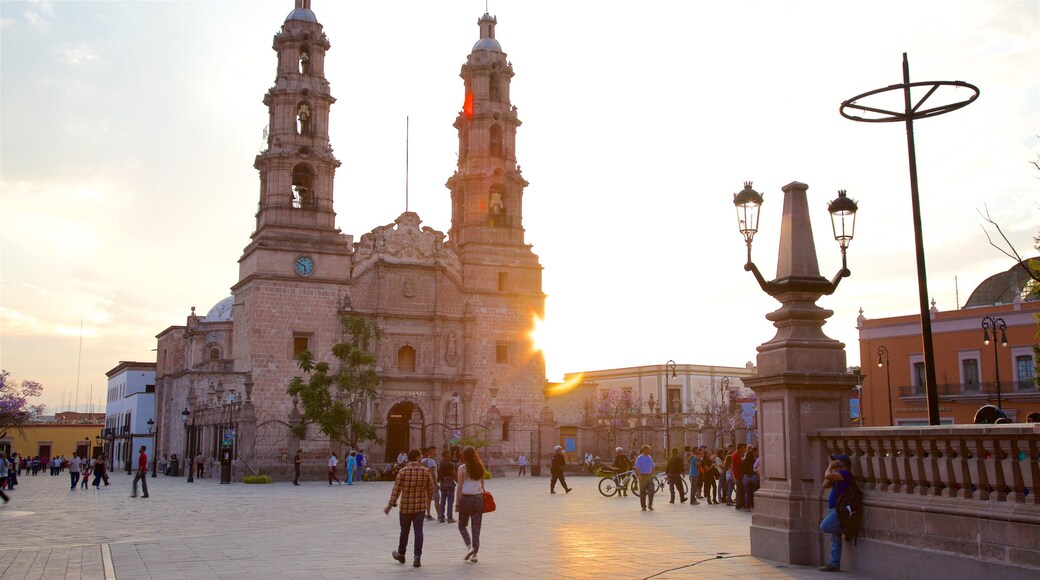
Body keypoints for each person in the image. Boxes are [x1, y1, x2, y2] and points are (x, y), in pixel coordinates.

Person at [384, 448, 435, 568]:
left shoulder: (403, 471)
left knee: (404, 532)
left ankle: (401, 554)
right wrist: (426, 498)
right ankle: (417, 557)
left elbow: (396, 490)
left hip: (406, 507)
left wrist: (390, 505)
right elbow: (431, 489)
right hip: (420, 508)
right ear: (418, 457)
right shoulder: (425, 471)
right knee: (419, 531)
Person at [819, 454, 853, 572]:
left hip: (839, 510)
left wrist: (830, 467)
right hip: (833, 509)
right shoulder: (837, 476)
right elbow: (825, 484)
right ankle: (834, 563)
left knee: (825, 526)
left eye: (837, 462)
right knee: (835, 538)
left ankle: (845, 528)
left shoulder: (845, 474)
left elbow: (827, 474)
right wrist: (832, 469)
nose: (835, 463)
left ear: (843, 464)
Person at [455, 445, 486, 563]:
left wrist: (457, 504)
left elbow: (460, 487)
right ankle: (475, 555)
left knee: (462, 525)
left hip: (466, 498)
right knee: (476, 526)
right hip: (478, 498)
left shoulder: (462, 468)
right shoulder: (480, 467)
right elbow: (483, 486)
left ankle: (470, 547)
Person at [634, 444, 656, 511]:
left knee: (651, 491)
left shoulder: (650, 457)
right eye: (647, 450)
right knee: (643, 492)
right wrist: (639, 476)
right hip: (643, 476)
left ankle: (650, 505)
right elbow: (637, 468)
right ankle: (643, 506)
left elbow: (653, 466)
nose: (648, 451)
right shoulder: (639, 458)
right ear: (643, 450)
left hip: (649, 476)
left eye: (649, 450)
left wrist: (653, 474)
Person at [438, 449, 457, 523]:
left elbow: (439, 472)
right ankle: (449, 517)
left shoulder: (440, 463)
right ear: (446, 455)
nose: (450, 455)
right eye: (449, 454)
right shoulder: (450, 464)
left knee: (442, 501)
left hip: (442, 482)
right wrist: (459, 482)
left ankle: (441, 517)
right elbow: (454, 474)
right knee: (450, 501)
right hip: (449, 482)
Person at [422, 447, 439, 520]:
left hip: (426, 482)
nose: (436, 453)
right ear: (431, 452)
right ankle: (440, 515)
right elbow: (432, 473)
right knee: (437, 499)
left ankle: (428, 514)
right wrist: (435, 484)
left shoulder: (424, 460)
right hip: (432, 483)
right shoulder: (431, 461)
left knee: (428, 499)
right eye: (435, 451)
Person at [732, 443, 747, 510]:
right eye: (743, 448)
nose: (743, 450)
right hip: (738, 474)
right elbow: (739, 465)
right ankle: (738, 504)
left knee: (740, 489)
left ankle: (740, 503)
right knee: (739, 490)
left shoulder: (737, 454)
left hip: (739, 474)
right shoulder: (736, 455)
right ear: (740, 448)